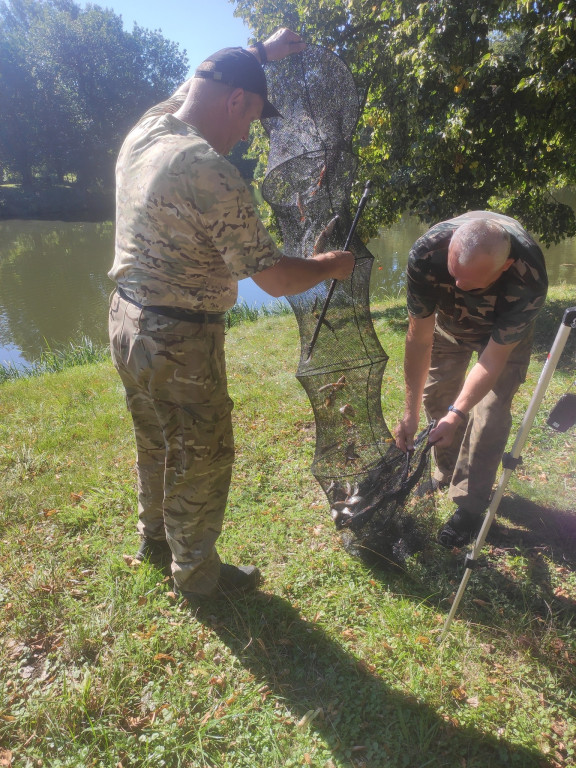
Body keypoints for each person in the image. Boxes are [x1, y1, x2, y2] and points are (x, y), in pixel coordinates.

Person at [108, 29, 354, 602]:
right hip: (179, 340)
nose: (246, 135)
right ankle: (197, 580)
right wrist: (329, 263)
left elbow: (186, 86)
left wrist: (258, 56)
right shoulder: (208, 168)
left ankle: (155, 540)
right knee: (202, 458)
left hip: (125, 322)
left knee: (155, 442)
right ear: (235, 99)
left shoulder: (147, 131)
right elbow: (273, 278)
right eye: (249, 120)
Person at [394, 211, 548, 548]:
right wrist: (410, 412)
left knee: (489, 416)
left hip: (501, 340)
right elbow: (419, 337)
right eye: (453, 276)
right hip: (447, 331)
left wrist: (458, 412)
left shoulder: (528, 276)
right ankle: (447, 474)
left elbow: (492, 361)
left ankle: (469, 505)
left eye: (472, 283)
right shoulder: (426, 255)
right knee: (436, 398)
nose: (459, 288)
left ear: (504, 266)